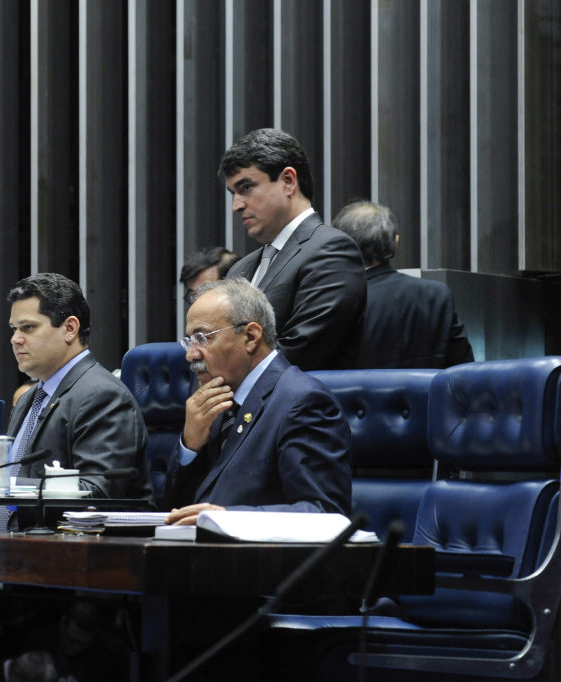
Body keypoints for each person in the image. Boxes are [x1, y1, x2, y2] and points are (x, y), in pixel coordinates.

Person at [0, 273, 151, 531]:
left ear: (69, 329)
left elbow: (97, 493)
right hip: (12, 550)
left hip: (72, 557)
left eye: (28, 327)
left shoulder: (103, 396)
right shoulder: (30, 398)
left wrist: (4, 482)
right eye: (14, 329)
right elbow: (16, 490)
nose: (15, 339)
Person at [165, 277, 352, 525]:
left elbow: (326, 514)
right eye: (189, 341)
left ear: (251, 336)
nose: (191, 355)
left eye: (203, 338)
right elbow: (174, 507)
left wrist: (229, 519)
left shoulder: (303, 402)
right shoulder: (216, 401)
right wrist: (189, 446)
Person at [220, 128, 366, 370]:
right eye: (233, 193)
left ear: (288, 182)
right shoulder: (239, 268)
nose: (236, 205)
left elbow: (298, 354)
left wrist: (223, 379)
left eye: (246, 187)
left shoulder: (332, 250)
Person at [333, 199, 475, 369]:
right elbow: (463, 370)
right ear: (395, 245)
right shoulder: (436, 295)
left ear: (339, 246)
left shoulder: (335, 300)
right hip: (425, 396)